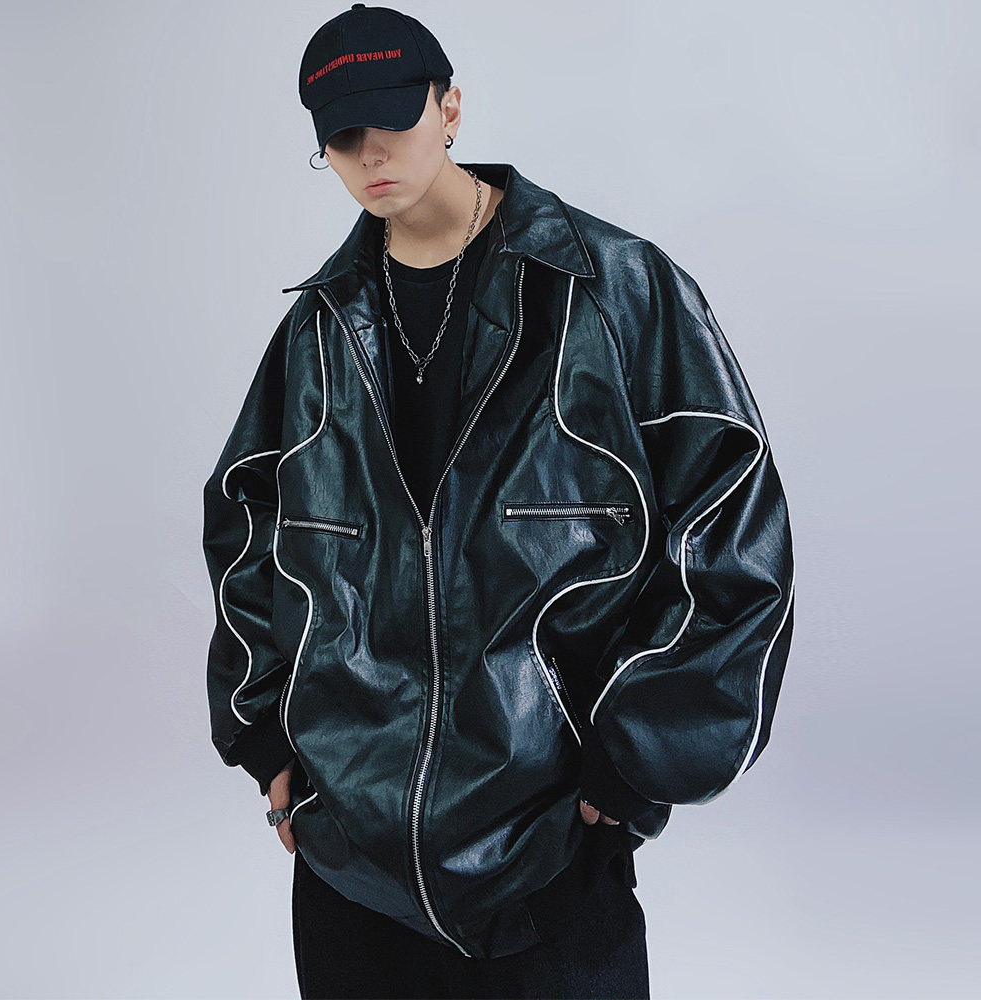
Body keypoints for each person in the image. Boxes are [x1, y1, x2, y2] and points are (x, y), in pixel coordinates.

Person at [202, 4, 796, 998]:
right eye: (340, 135)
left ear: (450, 108)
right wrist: (264, 738)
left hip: (551, 855)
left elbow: (731, 530)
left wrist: (635, 760)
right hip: (349, 859)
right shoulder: (319, 329)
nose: (369, 153)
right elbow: (247, 531)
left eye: (392, 117)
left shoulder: (615, 290)